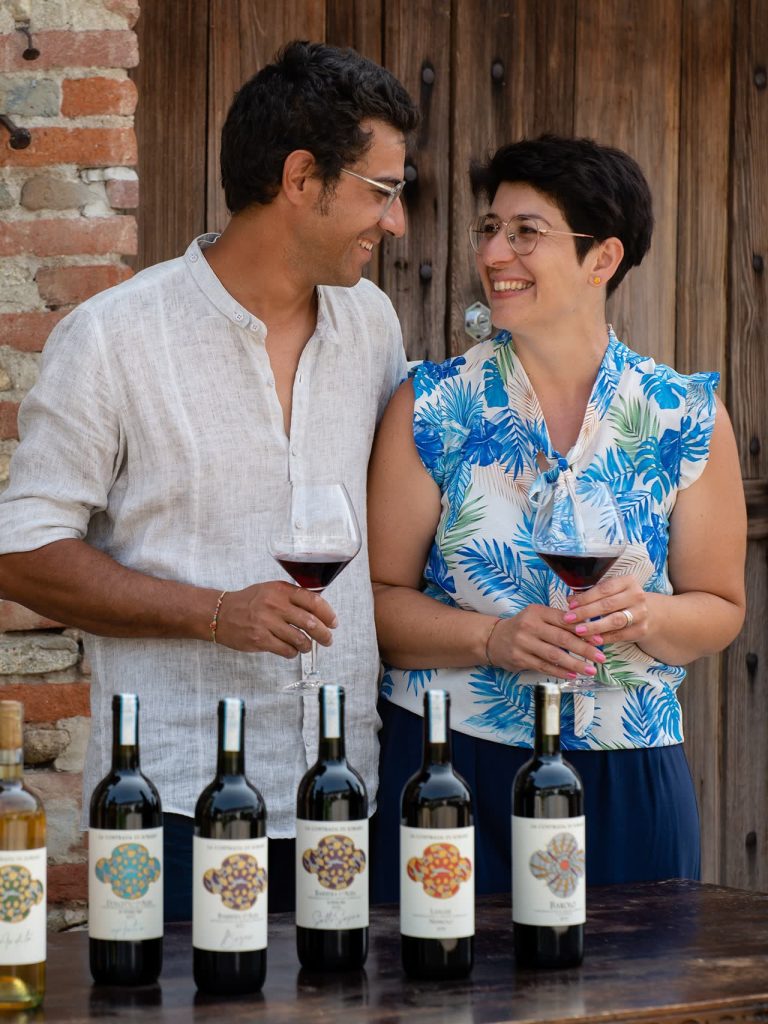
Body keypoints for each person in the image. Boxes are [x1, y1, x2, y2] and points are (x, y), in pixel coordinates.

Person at [0, 40, 419, 918]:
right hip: (174, 801)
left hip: (350, 795)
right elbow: (21, 549)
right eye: (381, 191)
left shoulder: (373, 325)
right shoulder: (113, 338)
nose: (396, 222)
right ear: (301, 178)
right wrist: (217, 613)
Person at [367, 134, 746, 902]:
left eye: (526, 233)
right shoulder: (430, 405)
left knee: (638, 1007)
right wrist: (491, 638)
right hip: (452, 768)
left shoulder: (684, 415)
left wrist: (645, 613)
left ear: (602, 259)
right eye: (490, 229)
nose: (495, 252)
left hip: (630, 769)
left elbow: (721, 609)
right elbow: (372, 601)